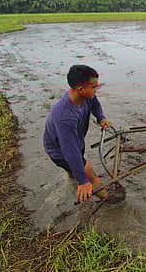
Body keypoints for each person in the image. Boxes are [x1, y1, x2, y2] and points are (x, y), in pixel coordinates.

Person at [43, 64, 111, 202]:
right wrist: (83, 181)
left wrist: (101, 118)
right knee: (89, 175)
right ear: (80, 89)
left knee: (75, 168)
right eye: (93, 87)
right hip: (59, 150)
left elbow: (95, 104)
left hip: (74, 143)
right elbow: (69, 150)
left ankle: (73, 177)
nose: (96, 90)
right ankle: (109, 201)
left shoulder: (86, 96)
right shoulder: (65, 116)